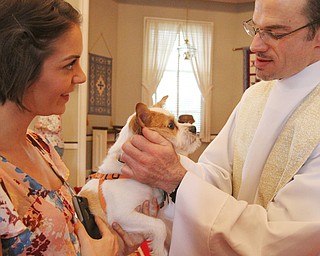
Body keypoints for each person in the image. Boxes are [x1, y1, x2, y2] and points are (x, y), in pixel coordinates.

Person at [120, 0, 320, 255]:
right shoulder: (255, 96)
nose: (255, 45)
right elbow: (216, 176)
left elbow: (284, 238)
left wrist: (177, 180)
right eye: (256, 29)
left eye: (276, 33)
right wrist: (163, 166)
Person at [0, 0, 154, 255]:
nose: (82, 76)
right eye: (69, 64)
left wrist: (119, 247)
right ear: (21, 67)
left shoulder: (40, 147)